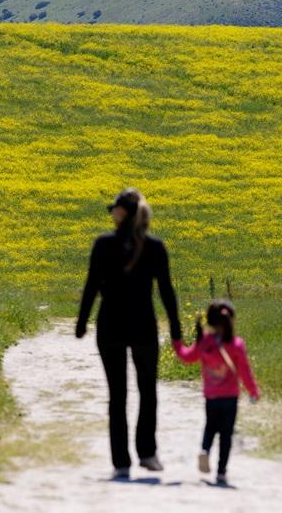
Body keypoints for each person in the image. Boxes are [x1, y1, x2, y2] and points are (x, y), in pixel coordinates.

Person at [76, 188, 182, 479]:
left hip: (110, 326)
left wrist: (82, 322)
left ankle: (121, 461)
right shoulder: (155, 247)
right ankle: (147, 453)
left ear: (121, 213)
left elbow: (91, 286)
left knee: (117, 395)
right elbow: (166, 290)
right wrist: (175, 328)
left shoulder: (103, 245)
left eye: (114, 209)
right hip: (143, 326)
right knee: (148, 391)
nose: (111, 213)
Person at [172, 299, 260, 485]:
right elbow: (245, 371)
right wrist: (253, 391)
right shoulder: (236, 344)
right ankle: (221, 471)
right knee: (226, 434)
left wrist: (177, 342)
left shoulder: (205, 342)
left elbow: (186, 356)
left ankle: (205, 450)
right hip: (230, 397)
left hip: (211, 397)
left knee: (210, 426)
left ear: (210, 321)